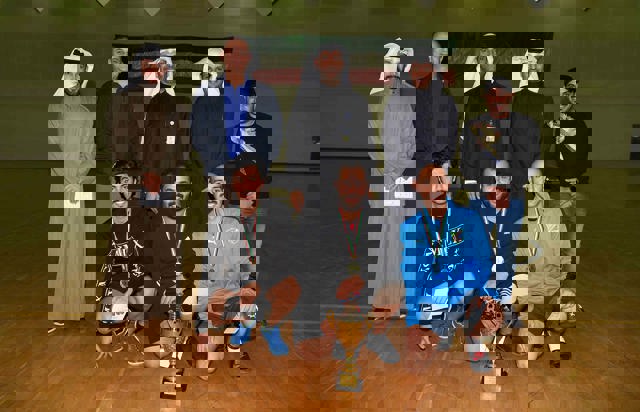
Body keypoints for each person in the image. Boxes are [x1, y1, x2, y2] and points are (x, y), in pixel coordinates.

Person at [400, 164, 499, 378]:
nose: (439, 186)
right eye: (432, 182)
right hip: (435, 292)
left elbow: (484, 258)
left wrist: (469, 288)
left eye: (442, 180)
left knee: (488, 304)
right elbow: (412, 275)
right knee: (430, 302)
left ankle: (473, 341)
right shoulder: (414, 227)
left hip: (466, 285)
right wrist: (418, 323)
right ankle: (445, 324)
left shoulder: (468, 218)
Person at [187, 170, 257, 379]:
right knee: (204, 369)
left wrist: (249, 285)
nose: (214, 196)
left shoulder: (233, 225)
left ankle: (233, 346)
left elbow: (244, 261)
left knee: (250, 316)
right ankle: (204, 340)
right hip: (208, 295)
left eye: (218, 190)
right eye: (209, 191)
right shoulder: (194, 229)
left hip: (232, 289)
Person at [48, 47, 97, 332]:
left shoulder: (83, 113)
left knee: (75, 241)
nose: (73, 79)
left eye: (77, 74)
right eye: (68, 74)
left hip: (75, 185)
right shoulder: (57, 109)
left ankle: (72, 305)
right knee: (67, 242)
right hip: (64, 184)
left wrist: (77, 180)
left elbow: (89, 153)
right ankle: (67, 306)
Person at [368, 39, 415, 320]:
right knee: (394, 236)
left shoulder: (400, 98)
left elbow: (403, 143)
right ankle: (394, 298)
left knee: (397, 236)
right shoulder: (389, 97)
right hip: (394, 177)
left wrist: (393, 174)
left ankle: (394, 299)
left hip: (397, 178)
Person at [95, 160, 145, 366]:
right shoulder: (111, 213)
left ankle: (133, 339)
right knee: (107, 317)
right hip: (117, 272)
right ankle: (109, 342)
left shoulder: (144, 214)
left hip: (139, 272)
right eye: (116, 183)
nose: (120, 188)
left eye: (126, 183)